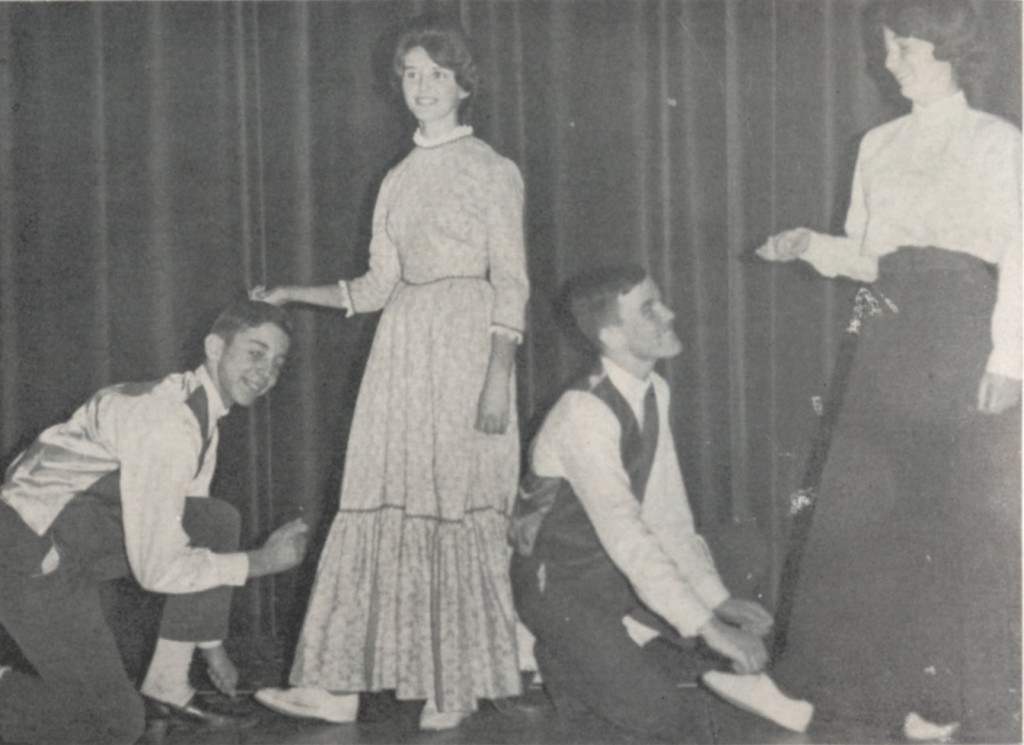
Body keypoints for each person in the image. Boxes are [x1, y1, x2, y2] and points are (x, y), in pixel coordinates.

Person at [731, 1, 1022, 740]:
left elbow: (1019, 251)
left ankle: (948, 702)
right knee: (863, 519)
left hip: (961, 333)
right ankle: (841, 697)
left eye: (906, 51)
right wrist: (809, 245)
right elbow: (869, 254)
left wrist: (1009, 358)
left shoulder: (996, 141)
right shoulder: (877, 143)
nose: (890, 66)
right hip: (888, 336)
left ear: (950, 53)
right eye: (889, 52)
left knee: (951, 520)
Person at [252, 13, 529, 731]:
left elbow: (514, 282)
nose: (423, 87)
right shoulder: (397, 179)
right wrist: (292, 293)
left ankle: (455, 682)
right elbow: (373, 288)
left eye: (437, 74)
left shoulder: (493, 169)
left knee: (452, 505)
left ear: (464, 84)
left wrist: (497, 375)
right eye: (411, 74)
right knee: (379, 503)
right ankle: (335, 682)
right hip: (400, 355)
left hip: (467, 347)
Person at [509, 264, 814, 742]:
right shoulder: (583, 414)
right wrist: (711, 629)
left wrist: (717, 600)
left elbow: (669, 518)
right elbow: (629, 538)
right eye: (649, 309)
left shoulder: (655, 391)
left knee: (706, 665)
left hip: (611, 580)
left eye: (661, 301)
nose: (669, 313)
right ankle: (553, 649)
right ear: (611, 334)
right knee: (670, 722)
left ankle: (580, 659)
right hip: (560, 590)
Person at [0, 299, 310, 744]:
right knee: (116, 726)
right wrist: (261, 562)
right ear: (215, 348)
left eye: (278, 363)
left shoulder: (198, 413)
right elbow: (159, 568)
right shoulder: (168, 425)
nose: (267, 373)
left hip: (72, 540)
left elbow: (193, 531)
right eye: (256, 353)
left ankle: (168, 683)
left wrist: (210, 646)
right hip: (28, 559)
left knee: (215, 519)